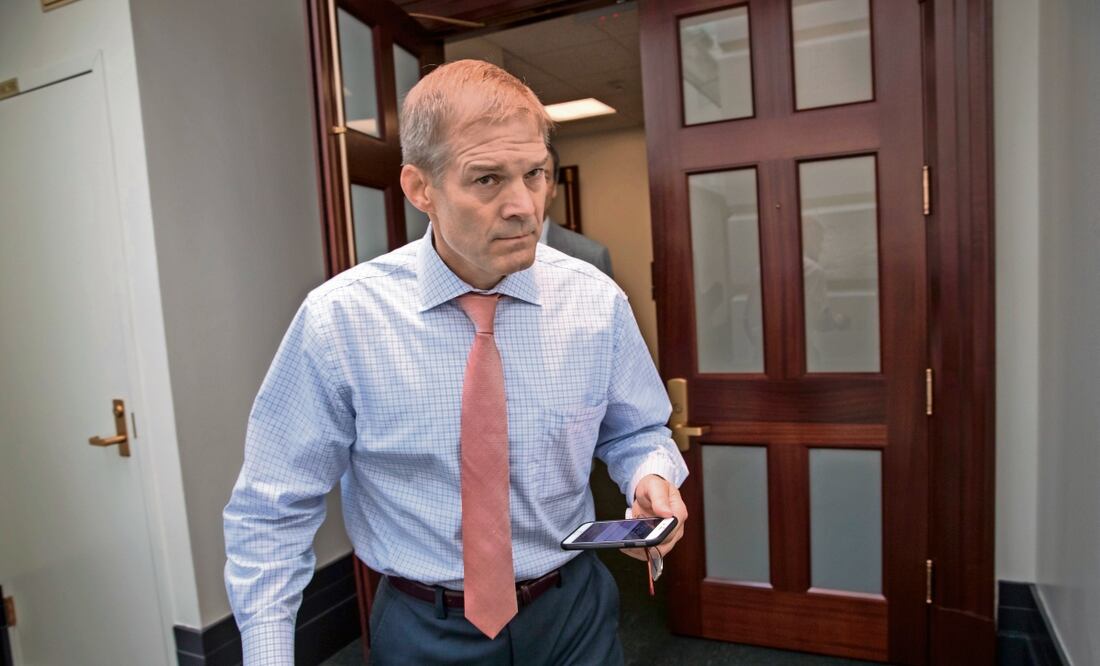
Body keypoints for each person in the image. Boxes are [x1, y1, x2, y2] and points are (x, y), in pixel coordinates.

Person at [223, 59, 688, 665]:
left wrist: (651, 475)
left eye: (535, 173)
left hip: (573, 615)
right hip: (426, 629)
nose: (525, 205)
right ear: (421, 189)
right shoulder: (340, 322)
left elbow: (638, 429)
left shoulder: (595, 302)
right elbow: (272, 509)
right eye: (488, 179)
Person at [541, 144, 614, 278]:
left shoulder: (591, 256)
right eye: (527, 175)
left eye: (541, 176)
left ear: (555, 187)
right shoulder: (491, 253)